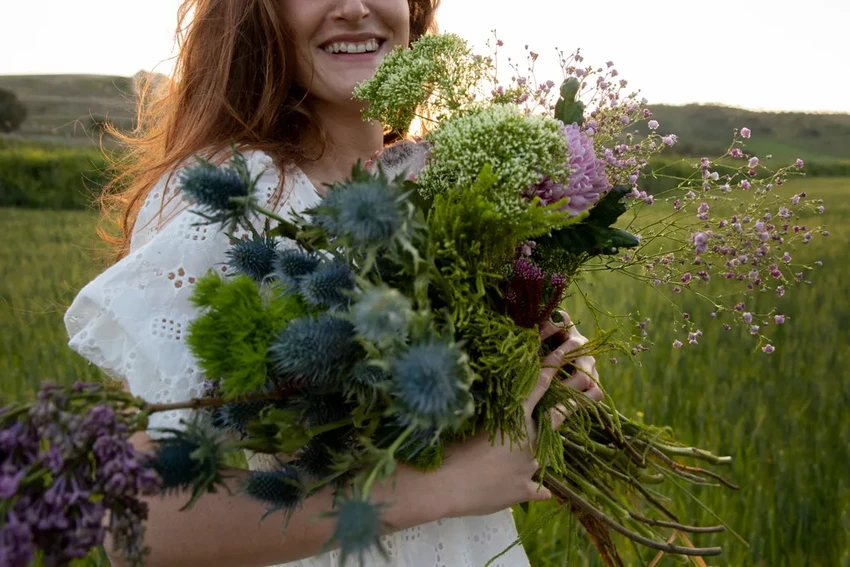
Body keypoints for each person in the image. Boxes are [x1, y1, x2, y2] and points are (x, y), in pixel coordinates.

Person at [64, 1, 604, 566]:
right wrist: (443, 487)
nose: (352, 7)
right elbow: (141, 523)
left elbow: (486, 412)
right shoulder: (237, 197)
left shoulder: (450, 173)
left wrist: (554, 373)